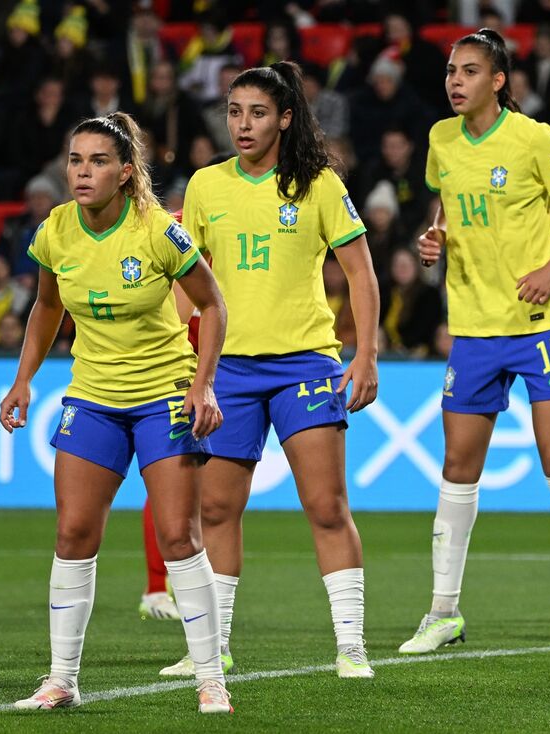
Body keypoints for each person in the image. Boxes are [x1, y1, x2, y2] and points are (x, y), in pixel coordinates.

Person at [0, 111, 232, 713]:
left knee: (178, 536)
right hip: (93, 397)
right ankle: (61, 680)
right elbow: (47, 306)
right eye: (75, 160)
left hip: (162, 394)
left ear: (126, 174)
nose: (82, 172)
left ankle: (210, 677)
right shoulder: (55, 229)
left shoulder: (159, 230)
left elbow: (214, 305)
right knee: (73, 533)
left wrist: (202, 386)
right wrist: (24, 379)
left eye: (98, 161)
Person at [162, 61, 380, 680]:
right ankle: (214, 647)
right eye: (234, 113)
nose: (244, 125)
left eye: (258, 113)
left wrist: (363, 354)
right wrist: (179, 359)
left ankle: (351, 645)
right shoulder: (205, 186)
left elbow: (361, 274)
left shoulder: (319, 184)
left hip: (305, 365)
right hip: (227, 370)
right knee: (218, 511)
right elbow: (189, 287)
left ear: (285, 119)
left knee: (326, 505)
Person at [399, 29, 550, 655]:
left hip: (541, 321)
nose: (455, 81)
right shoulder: (441, 139)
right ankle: (443, 612)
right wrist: (434, 238)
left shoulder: (535, 139)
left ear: (498, 80)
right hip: (473, 325)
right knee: (458, 466)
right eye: (449, 71)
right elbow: (445, 204)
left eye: (469, 71)